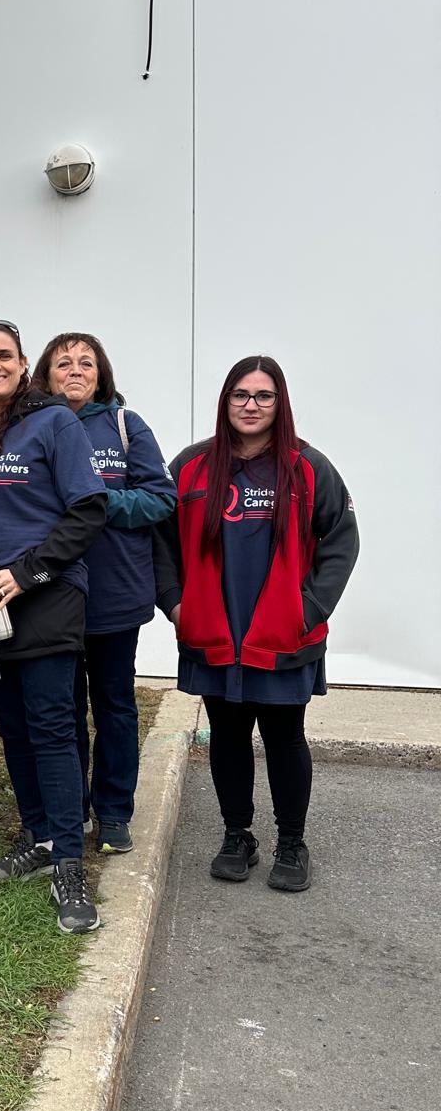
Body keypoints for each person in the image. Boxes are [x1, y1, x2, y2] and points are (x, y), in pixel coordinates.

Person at [154, 355, 358, 892]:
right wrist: (175, 604)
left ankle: (292, 842)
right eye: (240, 395)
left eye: (263, 396)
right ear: (226, 401)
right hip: (214, 632)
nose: (251, 405)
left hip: (283, 635)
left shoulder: (308, 467)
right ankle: (236, 835)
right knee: (227, 734)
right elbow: (160, 543)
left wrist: (308, 611)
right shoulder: (192, 467)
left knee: (285, 737)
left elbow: (341, 542)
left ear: (279, 403)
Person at [0, 321, 107, 934]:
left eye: (4, 356)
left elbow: (87, 509)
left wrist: (27, 573)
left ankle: (69, 861)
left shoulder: (55, 423)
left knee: (51, 727)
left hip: (46, 594)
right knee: (12, 727)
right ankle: (37, 835)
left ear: (21, 366)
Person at [37, 333, 176, 854]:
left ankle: (114, 812)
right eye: (63, 363)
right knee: (65, 708)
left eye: (86, 363)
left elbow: (160, 498)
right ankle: (71, 809)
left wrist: (95, 501)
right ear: (46, 375)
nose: (75, 370)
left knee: (115, 704)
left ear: (101, 375)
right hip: (54, 593)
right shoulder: (34, 426)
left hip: (115, 591)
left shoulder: (125, 425)